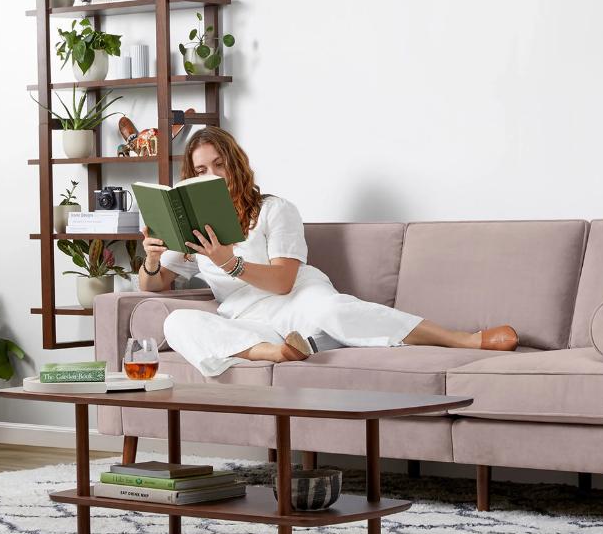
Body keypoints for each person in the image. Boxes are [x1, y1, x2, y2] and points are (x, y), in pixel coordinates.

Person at [138, 127, 518, 376]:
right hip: (247, 318)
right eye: (202, 169)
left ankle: (461, 339)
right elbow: (153, 287)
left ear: (235, 166)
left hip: (299, 298)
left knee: (332, 311)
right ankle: (275, 353)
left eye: (220, 165)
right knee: (175, 324)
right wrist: (152, 261)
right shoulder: (191, 227)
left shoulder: (274, 209)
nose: (213, 175)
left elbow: (284, 281)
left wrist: (230, 263)